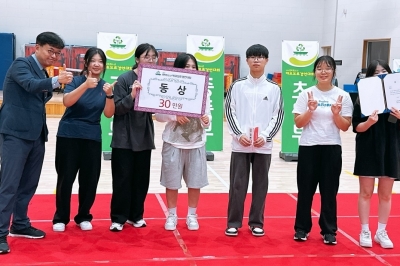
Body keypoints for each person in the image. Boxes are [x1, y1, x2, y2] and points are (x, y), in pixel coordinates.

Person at [0, 32, 73, 254]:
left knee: (28, 184)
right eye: (50, 51)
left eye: (58, 53)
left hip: (36, 135)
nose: (54, 56)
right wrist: (55, 81)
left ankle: (20, 224)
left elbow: (39, 94)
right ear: (37, 48)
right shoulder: (21, 64)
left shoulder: (43, 71)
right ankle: (0, 232)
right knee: (9, 185)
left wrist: (52, 84)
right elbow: (31, 85)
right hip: (15, 134)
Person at [52, 47, 115, 232]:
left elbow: (109, 114)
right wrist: (86, 85)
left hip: (92, 137)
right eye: (93, 60)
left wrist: (110, 95)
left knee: (89, 180)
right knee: (66, 178)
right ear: (86, 63)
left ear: (104, 65)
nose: (97, 64)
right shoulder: (76, 81)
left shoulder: (105, 86)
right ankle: (61, 218)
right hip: (69, 135)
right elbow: (67, 101)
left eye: (100, 61)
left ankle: (84, 216)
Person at [292, 55, 353, 245]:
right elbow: (298, 122)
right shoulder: (306, 94)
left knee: (329, 192)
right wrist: (310, 110)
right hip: (309, 147)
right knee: (305, 191)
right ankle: (301, 228)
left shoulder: (343, 96)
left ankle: (329, 230)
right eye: (319, 68)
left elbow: (344, 126)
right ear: (314, 72)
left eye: (327, 68)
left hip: (332, 148)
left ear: (333, 71)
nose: (323, 71)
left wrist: (336, 114)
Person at [224, 44, 284, 237]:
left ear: (267, 60)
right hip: (240, 144)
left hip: (263, 146)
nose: (256, 60)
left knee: (260, 185)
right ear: (247, 60)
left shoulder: (274, 88)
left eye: (260, 57)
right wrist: (238, 133)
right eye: (252, 57)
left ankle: (256, 222)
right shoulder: (237, 85)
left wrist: (266, 136)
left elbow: (278, 115)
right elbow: (229, 111)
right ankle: (233, 222)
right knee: (237, 185)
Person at [155, 53, 210, 231]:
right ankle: (172, 215)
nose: (190, 69)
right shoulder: (169, 88)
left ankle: (192, 215)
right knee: (172, 182)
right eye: (186, 66)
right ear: (178, 68)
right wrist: (174, 115)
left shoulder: (203, 89)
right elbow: (159, 115)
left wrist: (206, 120)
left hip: (196, 143)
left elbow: (207, 115)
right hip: (173, 143)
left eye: (193, 67)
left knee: (195, 182)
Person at [109, 43, 158, 231]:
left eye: (154, 57)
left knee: (141, 179)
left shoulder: (155, 79)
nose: (151, 60)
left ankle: (136, 215)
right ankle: (118, 218)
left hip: (144, 136)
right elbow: (118, 108)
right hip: (124, 137)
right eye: (147, 56)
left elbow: (158, 106)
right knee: (122, 179)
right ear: (137, 59)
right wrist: (132, 94)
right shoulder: (124, 79)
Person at [352, 59, 400, 249]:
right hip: (368, 147)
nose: (380, 74)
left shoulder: (397, 98)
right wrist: (370, 122)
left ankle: (381, 231)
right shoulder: (363, 98)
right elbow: (357, 127)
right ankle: (365, 230)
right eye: (375, 72)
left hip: (391, 148)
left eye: (384, 71)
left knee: (386, 194)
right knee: (366, 192)